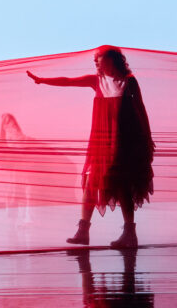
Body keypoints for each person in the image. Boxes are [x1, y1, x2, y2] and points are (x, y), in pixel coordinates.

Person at [27, 46, 154, 248]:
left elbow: (140, 110)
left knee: (122, 186)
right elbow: (69, 81)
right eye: (94, 59)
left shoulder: (129, 81)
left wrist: (146, 140)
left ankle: (130, 233)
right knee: (90, 182)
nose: (95, 62)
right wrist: (43, 80)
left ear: (112, 60)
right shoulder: (97, 81)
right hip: (100, 141)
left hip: (123, 142)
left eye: (99, 58)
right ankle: (83, 230)